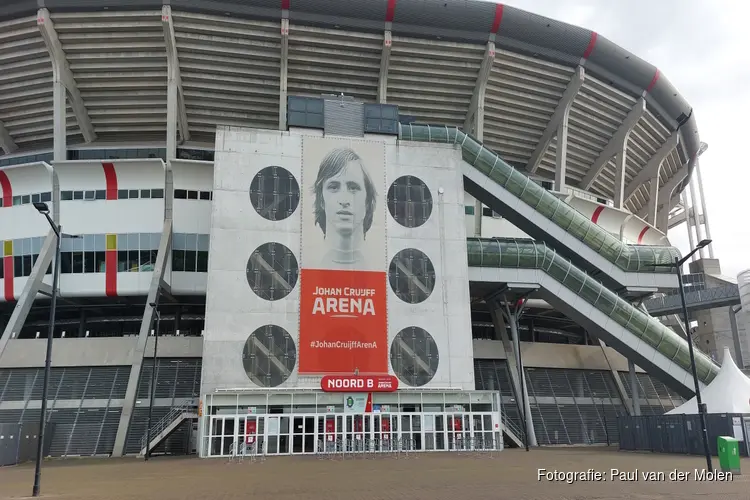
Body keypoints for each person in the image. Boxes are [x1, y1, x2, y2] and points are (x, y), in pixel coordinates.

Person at [311, 148, 378, 270]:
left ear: (367, 201)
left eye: (353, 188)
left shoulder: (377, 266)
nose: (344, 200)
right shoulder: (309, 263)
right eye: (334, 187)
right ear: (321, 200)